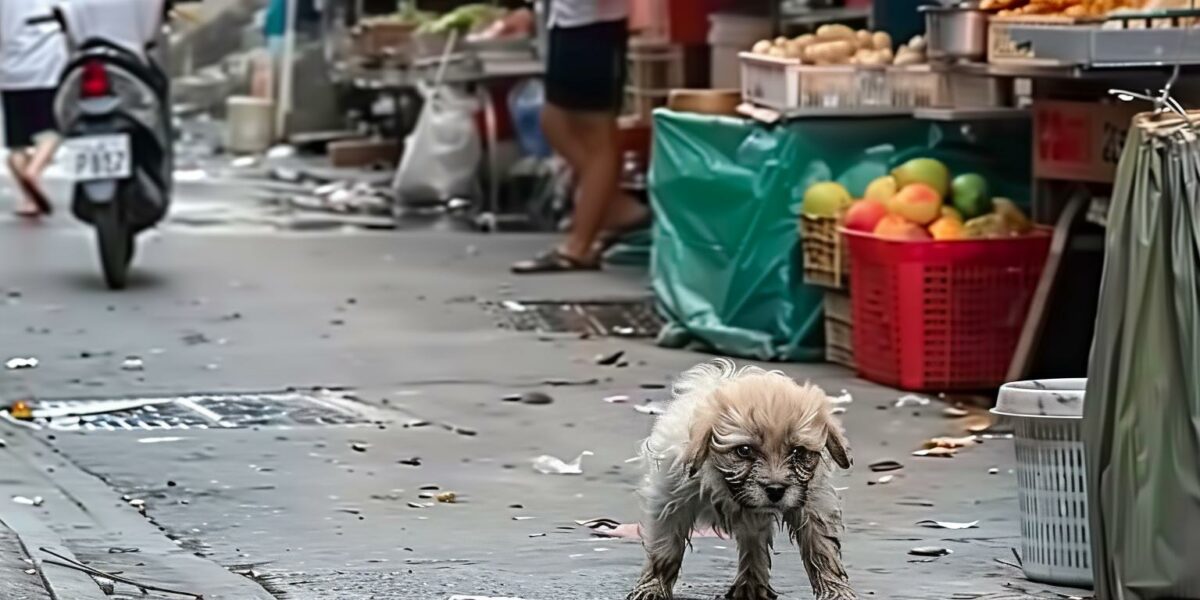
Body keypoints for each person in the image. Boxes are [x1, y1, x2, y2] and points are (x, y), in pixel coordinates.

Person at [511, 0, 649, 274]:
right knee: (554, 120)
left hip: (595, 25)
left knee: (596, 132)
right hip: (569, 20)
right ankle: (612, 203)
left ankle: (580, 245)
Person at [1, 0, 68, 218]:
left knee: (17, 143)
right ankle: (34, 170)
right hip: (45, 62)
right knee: (53, 129)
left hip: (10, 68)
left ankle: (29, 200)